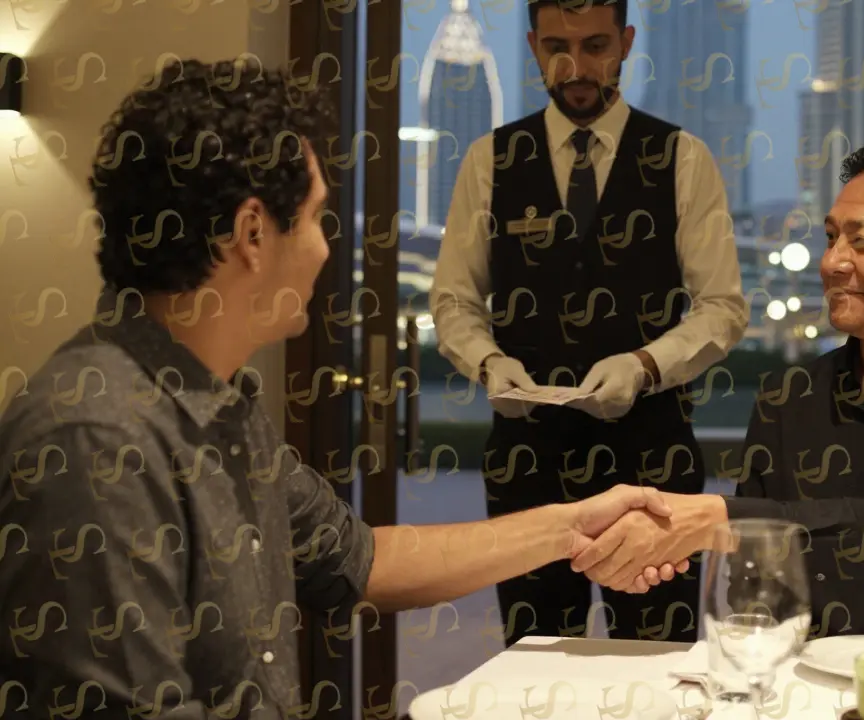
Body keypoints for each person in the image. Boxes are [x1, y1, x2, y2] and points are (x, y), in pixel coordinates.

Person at [0, 59, 686, 717]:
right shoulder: (96, 442)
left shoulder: (218, 406)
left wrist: (575, 524)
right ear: (252, 234)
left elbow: (364, 559)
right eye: (318, 216)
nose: (329, 247)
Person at [570, 139, 864, 657]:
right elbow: (753, 585)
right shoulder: (789, 397)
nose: (832, 263)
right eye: (831, 238)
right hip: (805, 688)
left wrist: (716, 520)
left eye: (863, 243)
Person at [429, 0, 747, 645]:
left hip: (652, 461)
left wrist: (645, 364)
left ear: (626, 43)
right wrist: (488, 363)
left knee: (657, 658)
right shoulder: (491, 159)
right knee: (534, 656)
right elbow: (454, 301)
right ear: (532, 46)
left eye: (596, 45)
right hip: (528, 463)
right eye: (557, 47)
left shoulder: (681, 157)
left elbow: (723, 307)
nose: (575, 66)